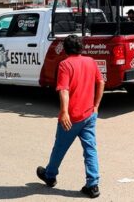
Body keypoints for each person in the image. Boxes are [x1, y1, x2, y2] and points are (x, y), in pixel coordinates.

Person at [37, 35, 105, 199]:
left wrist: (64, 112)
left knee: (60, 147)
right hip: (89, 114)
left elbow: (64, 90)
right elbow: (101, 82)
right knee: (90, 150)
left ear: (65, 50)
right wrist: (96, 106)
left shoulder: (65, 64)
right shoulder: (90, 61)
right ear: (81, 48)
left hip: (72, 116)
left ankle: (50, 175)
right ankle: (93, 185)